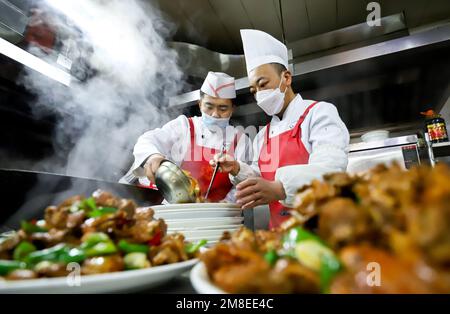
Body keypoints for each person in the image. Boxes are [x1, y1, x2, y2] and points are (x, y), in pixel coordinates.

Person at [211, 29, 350, 228]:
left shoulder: (318, 113)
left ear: (286, 78)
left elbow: (332, 171)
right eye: (254, 90)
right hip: (281, 237)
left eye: (263, 84)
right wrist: (237, 168)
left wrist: (281, 188)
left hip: (323, 233)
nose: (259, 94)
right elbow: (262, 178)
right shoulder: (262, 135)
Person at [122, 71, 252, 202]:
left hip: (217, 215)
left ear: (232, 109)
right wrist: (153, 156)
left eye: (223, 109)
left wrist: (223, 204)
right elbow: (148, 140)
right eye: (209, 106)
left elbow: (246, 182)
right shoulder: (184, 126)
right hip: (175, 209)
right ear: (200, 104)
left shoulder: (240, 141)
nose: (215, 114)